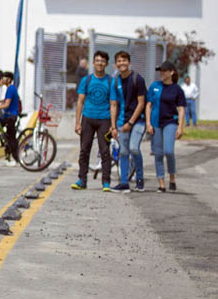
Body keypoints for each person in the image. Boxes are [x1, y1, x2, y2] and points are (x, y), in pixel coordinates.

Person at [72, 51, 114, 191]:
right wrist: (77, 123)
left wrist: (113, 126)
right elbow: (80, 102)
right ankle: (81, 180)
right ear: (93, 63)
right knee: (84, 150)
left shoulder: (110, 81)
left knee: (105, 151)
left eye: (103, 61)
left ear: (106, 64)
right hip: (88, 118)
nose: (100, 63)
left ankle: (106, 182)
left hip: (105, 119)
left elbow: (114, 104)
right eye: (97, 60)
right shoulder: (86, 80)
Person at [109, 51, 147, 192]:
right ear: (116, 64)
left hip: (138, 121)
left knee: (134, 148)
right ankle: (124, 183)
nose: (122, 63)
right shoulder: (115, 81)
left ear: (129, 62)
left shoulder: (138, 79)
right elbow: (113, 105)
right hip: (121, 121)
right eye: (119, 61)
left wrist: (130, 123)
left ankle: (139, 179)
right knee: (123, 152)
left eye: (124, 60)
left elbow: (141, 103)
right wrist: (113, 126)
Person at [146, 61, 186, 193]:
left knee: (169, 151)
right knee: (158, 154)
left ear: (171, 72)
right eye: (160, 71)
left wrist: (180, 127)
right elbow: (148, 105)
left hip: (170, 122)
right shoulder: (154, 86)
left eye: (164, 71)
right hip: (156, 123)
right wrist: (148, 123)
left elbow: (181, 109)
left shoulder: (177, 89)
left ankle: (172, 177)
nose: (161, 73)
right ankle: (161, 183)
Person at [0, 71, 20, 166]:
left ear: (9, 80)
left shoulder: (10, 89)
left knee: (11, 138)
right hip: (8, 115)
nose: (3, 79)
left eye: (5, 78)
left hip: (10, 116)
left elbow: (7, 104)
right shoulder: (10, 89)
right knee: (8, 137)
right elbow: (4, 102)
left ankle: (16, 159)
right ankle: (9, 156)